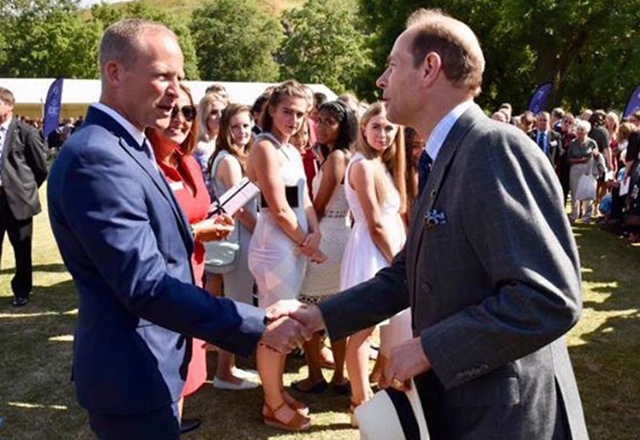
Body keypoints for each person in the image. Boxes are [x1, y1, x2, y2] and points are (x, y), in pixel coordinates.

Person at [269, 8, 588, 440]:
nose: (382, 80)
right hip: (466, 404)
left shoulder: (493, 148)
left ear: (430, 68)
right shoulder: (444, 157)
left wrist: (428, 350)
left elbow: (547, 298)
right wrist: (317, 317)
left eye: (392, 65)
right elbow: (407, 273)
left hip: (505, 417)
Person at [46, 19, 308, 440]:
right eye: (163, 76)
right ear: (114, 73)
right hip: (130, 371)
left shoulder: (129, 145)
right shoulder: (97, 157)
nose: (175, 91)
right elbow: (144, 283)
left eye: (180, 77)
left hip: (151, 362)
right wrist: (258, 322)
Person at [146, 84, 236, 433]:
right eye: (170, 110)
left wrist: (211, 224)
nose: (180, 119)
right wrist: (198, 232)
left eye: (187, 112)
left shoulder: (187, 163)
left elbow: (194, 213)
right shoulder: (143, 165)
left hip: (193, 276)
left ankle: (174, 424)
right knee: (161, 375)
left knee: (183, 372)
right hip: (160, 285)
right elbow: (147, 231)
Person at [246, 80, 325, 432]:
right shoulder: (264, 146)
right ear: (273, 110)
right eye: (287, 112)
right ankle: (273, 404)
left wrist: (315, 230)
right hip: (273, 247)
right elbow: (277, 207)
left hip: (293, 245)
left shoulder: (291, 150)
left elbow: (303, 198)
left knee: (286, 322)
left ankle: (275, 393)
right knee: (276, 326)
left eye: (300, 113)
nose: (294, 119)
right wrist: (307, 240)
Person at [340, 102, 410, 423]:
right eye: (377, 127)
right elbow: (374, 223)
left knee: (381, 330)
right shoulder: (363, 166)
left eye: (389, 128)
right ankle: (359, 402)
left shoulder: (379, 164)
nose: (383, 134)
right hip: (374, 252)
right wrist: (398, 262)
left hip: (382, 250)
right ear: (364, 128)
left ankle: (374, 394)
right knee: (363, 332)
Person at [294, 100, 358, 395]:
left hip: (328, 235)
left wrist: (304, 236)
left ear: (342, 126)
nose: (320, 127)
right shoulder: (341, 156)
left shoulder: (336, 159)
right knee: (338, 307)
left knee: (310, 307)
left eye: (329, 121)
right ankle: (339, 377)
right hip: (340, 233)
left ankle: (317, 375)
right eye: (318, 120)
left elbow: (319, 205)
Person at [208, 104, 260, 390]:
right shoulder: (228, 160)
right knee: (236, 306)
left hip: (244, 237)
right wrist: (263, 231)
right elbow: (238, 209)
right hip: (238, 238)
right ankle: (224, 372)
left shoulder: (241, 155)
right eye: (237, 126)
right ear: (226, 129)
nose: (243, 132)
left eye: (247, 126)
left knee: (239, 303)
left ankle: (228, 368)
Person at [0, 87, 48, 307]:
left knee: (21, 249)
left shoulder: (25, 132)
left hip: (18, 201)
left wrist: (25, 190)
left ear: (9, 106)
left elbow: (40, 168)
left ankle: (21, 291)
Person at [568, 120, 599, 224]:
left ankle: (587, 216)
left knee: (587, 193)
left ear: (586, 131)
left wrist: (594, 156)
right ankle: (574, 214)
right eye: (578, 129)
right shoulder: (572, 143)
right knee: (574, 193)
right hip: (575, 169)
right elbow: (569, 158)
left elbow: (597, 157)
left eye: (582, 130)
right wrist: (581, 160)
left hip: (588, 169)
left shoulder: (592, 143)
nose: (579, 132)